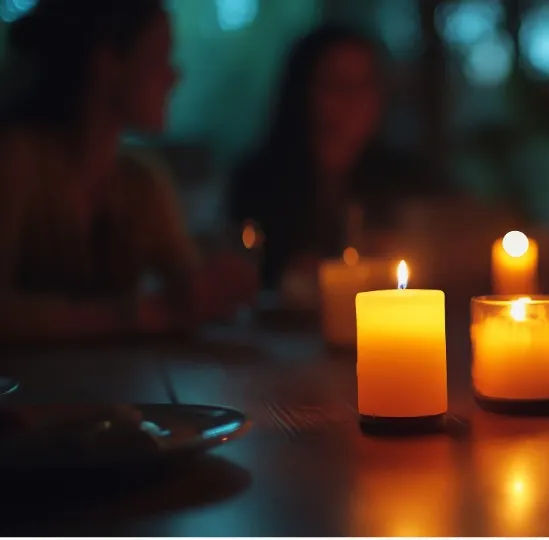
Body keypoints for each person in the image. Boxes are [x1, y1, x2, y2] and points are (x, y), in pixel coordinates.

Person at [0, 0, 257, 343]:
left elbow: (187, 295)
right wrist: (138, 315)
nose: (174, 75)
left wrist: (211, 287)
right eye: (159, 57)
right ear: (107, 62)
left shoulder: (141, 181)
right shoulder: (17, 160)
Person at [227, 24, 442, 287]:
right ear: (304, 90)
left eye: (364, 84)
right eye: (336, 83)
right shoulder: (259, 182)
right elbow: (246, 271)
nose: (353, 98)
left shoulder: (411, 181)